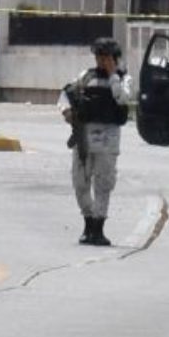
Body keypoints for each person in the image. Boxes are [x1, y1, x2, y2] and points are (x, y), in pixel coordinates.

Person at [59, 38, 132, 246]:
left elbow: (122, 98)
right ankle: (88, 222)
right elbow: (66, 94)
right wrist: (66, 110)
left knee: (103, 184)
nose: (101, 61)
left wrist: (112, 76)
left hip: (108, 141)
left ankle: (98, 228)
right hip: (84, 138)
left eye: (106, 57)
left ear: (115, 59)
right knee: (80, 182)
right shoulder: (86, 76)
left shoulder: (124, 79)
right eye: (99, 57)